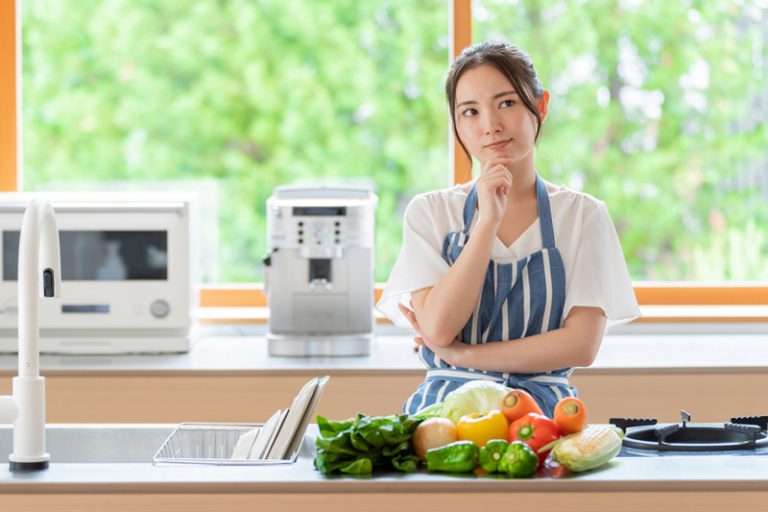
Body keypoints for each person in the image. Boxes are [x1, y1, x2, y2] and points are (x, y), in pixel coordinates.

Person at [376, 42, 641, 417]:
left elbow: (582, 345)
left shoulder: (583, 216)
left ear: (541, 106)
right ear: (456, 124)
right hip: (444, 415)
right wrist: (487, 223)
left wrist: (465, 355)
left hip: (542, 417)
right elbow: (437, 329)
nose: (490, 125)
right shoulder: (430, 212)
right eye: (470, 111)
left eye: (506, 103)